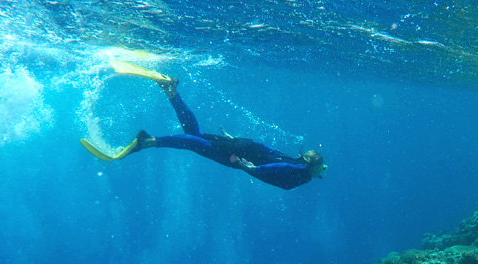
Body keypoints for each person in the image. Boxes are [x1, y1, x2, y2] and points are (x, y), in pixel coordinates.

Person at [80, 63, 326, 190]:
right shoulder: (301, 170)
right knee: (193, 141)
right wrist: (246, 162)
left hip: (242, 152)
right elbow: (272, 164)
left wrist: (249, 161)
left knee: (193, 136)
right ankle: (148, 141)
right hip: (239, 154)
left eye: (316, 163)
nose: (318, 166)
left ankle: (171, 91)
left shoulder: (301, 170)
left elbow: (272, 163)